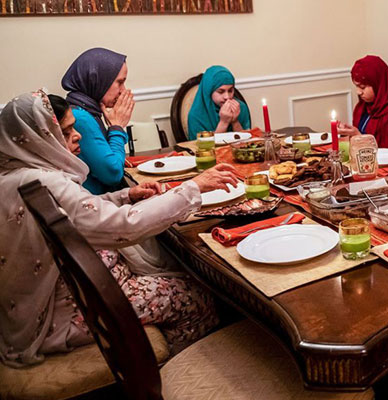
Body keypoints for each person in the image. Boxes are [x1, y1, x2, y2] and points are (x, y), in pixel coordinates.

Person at [0, 90, 241, 366]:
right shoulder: (45, 183)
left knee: (177, 265)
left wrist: (126, 195)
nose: (77, 136)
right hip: (70, 311)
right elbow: (123, 227)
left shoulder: (15, 173)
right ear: (36, 138)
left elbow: (77, 211)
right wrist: (193, 188)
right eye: (65, 132)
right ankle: (172, 370)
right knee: (199, 294)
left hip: (65, 292)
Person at [61, 47, 134, 195]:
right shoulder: (80, 118)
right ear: (98, 80)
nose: (123, 90)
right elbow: (112, 174)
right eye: (119, 82)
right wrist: (117, 127)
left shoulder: (86, 110)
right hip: (95, 202)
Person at [337, 55, 388, 148]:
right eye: (356, 86)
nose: (358, 92)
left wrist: (358, 136)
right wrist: (348, 133)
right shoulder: (362, 106)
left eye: (362, 87)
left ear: (378, 84)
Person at [187, 65, 251, 140]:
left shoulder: (240, 107)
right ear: (209, 92)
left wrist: (235, 121)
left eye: (230, 91)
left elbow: (246, 142)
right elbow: (203, 146)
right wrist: (224, 122)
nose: (227, 97)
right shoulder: (196, 115)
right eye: (221, 92)